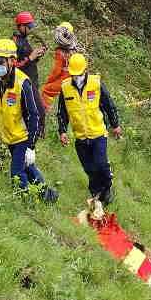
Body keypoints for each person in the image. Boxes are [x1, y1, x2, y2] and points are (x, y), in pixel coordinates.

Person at [0, 39, 55, 201]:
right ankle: (48, 196)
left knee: (17, 172)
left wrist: (31, 145)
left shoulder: (22, 83)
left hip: (22, 136)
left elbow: (33, 115)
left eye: (1, 62)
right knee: (28, 167)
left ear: (12, 61)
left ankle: (24, 201)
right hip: (8, 135)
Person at [57, 53, 123, 204]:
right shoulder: (65, 88)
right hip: (80, 137)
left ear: (85, 70)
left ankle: (107, 188)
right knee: (89, 169)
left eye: (79, 74)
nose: (76, 77)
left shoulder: (96, 83)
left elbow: (109, 105)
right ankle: (96, 196)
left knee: (100, 165)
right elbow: (62, 112)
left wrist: (115, 125)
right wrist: (62, 131)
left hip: (98, 133)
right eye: (73, 74)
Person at [13, 11, 47, 138]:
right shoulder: (15, 43)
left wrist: (37, 55)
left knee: (33, 110)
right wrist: (30, 58)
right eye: (28, 26)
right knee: (39, 111)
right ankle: (36, 134)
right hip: (25, 82)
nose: (31, 29)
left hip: (32, 80)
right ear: (21, 26)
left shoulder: (24, 40)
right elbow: (14, 66)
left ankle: (35, 133)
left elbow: (29, 60)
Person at [41, 22, 77, 111]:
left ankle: (44, 109)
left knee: (46, 89)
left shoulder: (60, 52)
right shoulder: (74, 50)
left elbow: (56, 71)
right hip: (74, 76)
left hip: (65, 79)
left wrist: (49, 80)